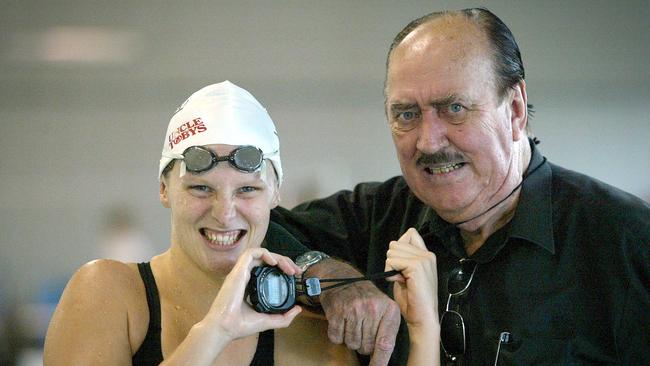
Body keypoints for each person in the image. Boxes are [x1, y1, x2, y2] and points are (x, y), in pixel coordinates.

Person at [271, 7, 650, 365]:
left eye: (454, 109)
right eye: (407, 114)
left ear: (515, 109)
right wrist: (327, 275)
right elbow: (244, 229)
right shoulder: (374, 217)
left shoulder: (624, 241)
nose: (428, 142)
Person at [43, 81, 366, 365]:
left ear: (275, 195)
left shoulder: (306, 326)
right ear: (163, 189)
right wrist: (214, 332)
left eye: (247, 190)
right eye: (200, 188)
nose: (224, 214)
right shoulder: (108, 293)